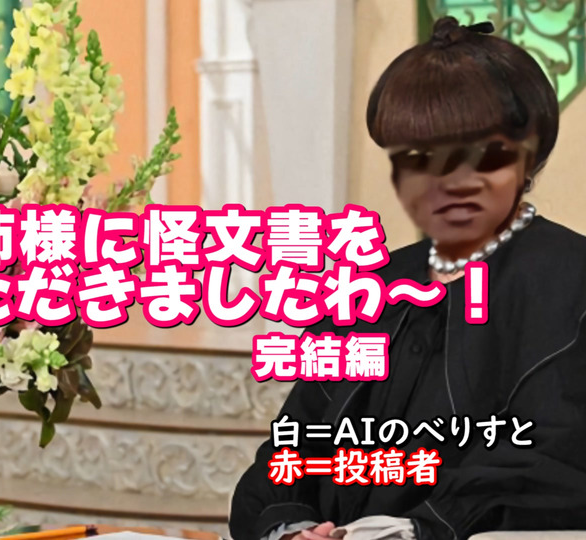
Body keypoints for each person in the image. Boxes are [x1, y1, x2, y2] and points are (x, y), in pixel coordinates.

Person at [229, 16, 586, 540]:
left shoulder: (571, 282)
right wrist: (290, 526)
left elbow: (555, 465)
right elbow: (292, 446)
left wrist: (415, 530)